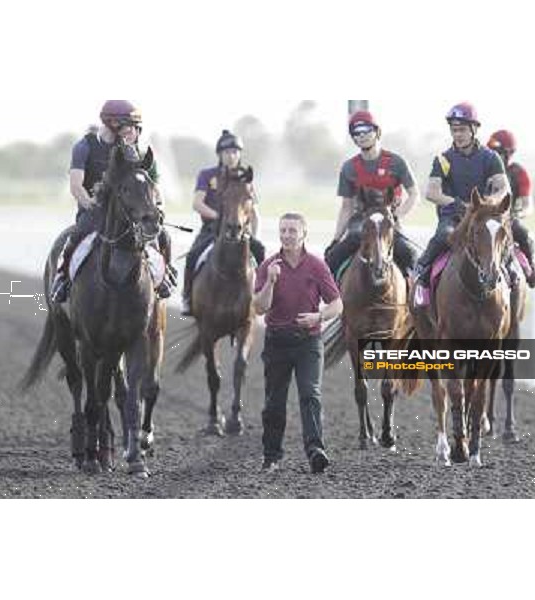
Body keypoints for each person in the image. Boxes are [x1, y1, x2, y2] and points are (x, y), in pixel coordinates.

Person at [50, 100, 176, 302]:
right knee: (77, 234)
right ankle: (63, 277)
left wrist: (155, 208)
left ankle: (165, 274)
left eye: (135, 127)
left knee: (162, 236)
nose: (133, 131)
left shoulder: (130, 150)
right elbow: (76, 186)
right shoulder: (84, 147)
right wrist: (91, 204)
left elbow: (146, 187)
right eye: (130, 125)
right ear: (113, 123)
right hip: (93, 211)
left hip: (125, 213)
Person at [254, 213, 343, 474]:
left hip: (309, 342)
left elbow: (337, 304)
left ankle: (315, 450)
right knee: (274, 401)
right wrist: (270, 281)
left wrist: (318, 316)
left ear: (304, 234)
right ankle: (271, 456)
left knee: (310, 395)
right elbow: (259, 308)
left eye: (292, 231)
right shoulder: (269, 265)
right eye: (283, 230)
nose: (287, 235)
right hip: (277, 341)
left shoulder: (316, 265)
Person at [413, 102, 510, 303]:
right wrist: (460, 205)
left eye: (462, 130)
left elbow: (504, 188)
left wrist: (488, 202)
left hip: (482, 216)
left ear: (474, 129)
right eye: (454, 130)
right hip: (453, 217)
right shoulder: (443, 159)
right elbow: (432, 192)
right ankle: (421, 273)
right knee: (443, 235)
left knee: (501, 240)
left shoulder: (491, 158)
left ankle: (511, 277)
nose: (458, 134)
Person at [324, 110, 421, 280]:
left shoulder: (397, 162)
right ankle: (333, 297)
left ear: (377, 132)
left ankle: (416, 298)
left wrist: (397, 215)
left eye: (366, 130)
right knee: (332, 257)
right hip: (360, 222)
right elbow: (346, 207)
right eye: (356, 132)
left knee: (411, 255)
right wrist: (335, 239)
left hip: (389, 220)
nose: (361, 136)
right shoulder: (349, 168)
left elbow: (414, 195)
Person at [180, 130, 266, 315]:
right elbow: (197, 203)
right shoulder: (207, 175)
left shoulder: (246, 178)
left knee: (262, 253)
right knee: (193, 256)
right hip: (212, 228)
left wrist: (254, 236)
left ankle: (262, 297)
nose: (231, 156)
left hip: (240, 230)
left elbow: (254, 211)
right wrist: (220, 217)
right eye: (227, 152)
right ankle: (187, 297)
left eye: (235, 152)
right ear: (220, 154)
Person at [487, 129, 535, 287]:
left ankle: (530, 268)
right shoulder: (483, 169)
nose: (492, 156)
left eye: (496, 152)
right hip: (482, 217)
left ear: (508, 154)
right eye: (490, 152)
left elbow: (528, 205)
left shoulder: (518, 173)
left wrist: (518, 214)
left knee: (522, 234)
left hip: (506, 218)